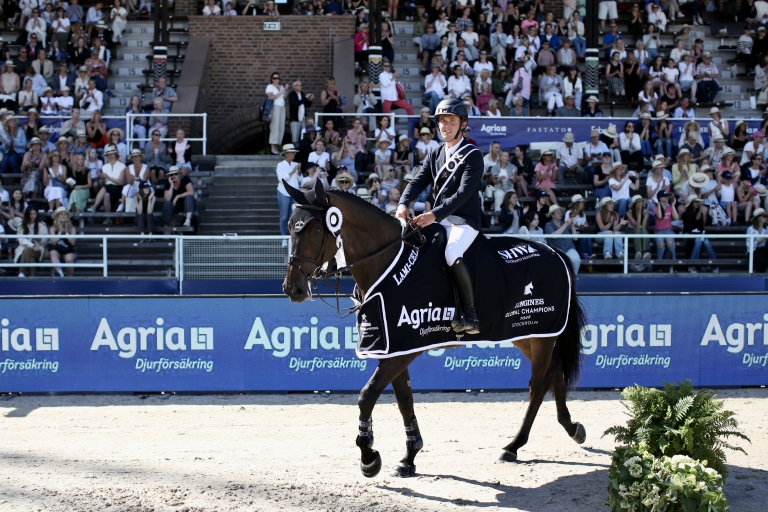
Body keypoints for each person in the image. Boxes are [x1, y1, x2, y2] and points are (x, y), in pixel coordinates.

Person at [397, 99, 484, 334]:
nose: (445, 126)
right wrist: (404, 203)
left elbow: (463, 195)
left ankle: (471, 316)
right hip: (439, 217)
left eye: (451, 121)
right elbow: (417, 181)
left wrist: (433, 215)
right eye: (442, 121)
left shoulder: (473, 156)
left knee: (452, 251)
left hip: (464, 220)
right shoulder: (435, 152)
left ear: (462, 124)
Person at [682, 194, 716, 273]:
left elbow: (701, 228)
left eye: (698, 202)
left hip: (698, 234)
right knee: (698, 240)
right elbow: (688, 228)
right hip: (688, 234)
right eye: (695, 202)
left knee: (706, 242)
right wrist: (696, 220)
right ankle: (692, 265)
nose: (697, 204)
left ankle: (714, 264)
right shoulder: (685, 215)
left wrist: (698, 220)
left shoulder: (700, 214)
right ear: (691, 203)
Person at [544, 204, 581, 273]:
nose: (560, 214)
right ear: (552, 215)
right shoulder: (548, 225)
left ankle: (573, 277)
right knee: (560, 262)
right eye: (557, 212)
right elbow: (554, 236)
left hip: (569, 248)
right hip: (556, 250)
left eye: (560, 212)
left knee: (576, 259)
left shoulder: (564, 223)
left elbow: (575, 238)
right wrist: (566, 224)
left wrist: (572, 225)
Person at [14, 207, 49, 277]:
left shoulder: (42, 225)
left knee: (28, 250)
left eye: (34, 214)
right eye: (30, 214)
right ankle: (32, 280)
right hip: (24, 250)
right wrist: (32, 246)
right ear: (27, 215)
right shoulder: (21, 224)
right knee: (31, 260)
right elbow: (20, 239)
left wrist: (40, 239)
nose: (32, 216)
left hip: (38, 250)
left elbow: (46, 241)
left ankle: (21, 272)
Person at [276, 143, 300, 236]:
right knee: (284, 216)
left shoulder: (295, 164)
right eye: (291, 153)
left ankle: (291, 237)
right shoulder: (280, 165)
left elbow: (300, 180)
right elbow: (281, 179)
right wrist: (292, 172)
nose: (293, 154)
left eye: (294, 153)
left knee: (293, 216)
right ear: (286, 154)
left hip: (294, 193)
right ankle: (284, 237)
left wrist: (298, 172)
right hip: (283, 192)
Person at [46, 207, 77, 277]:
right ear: (58, 216)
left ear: (67, 216)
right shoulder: (53, 228)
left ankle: (70, 278)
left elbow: (72, 243)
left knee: (69, 259)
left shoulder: (72, 228)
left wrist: (66, 232)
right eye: (61, 214)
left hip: (69, 249)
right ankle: (60, 273)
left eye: (65, 214)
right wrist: (59, 232)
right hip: (57, 249)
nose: (63, 216)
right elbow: (54, 242)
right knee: (52, 252)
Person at [565, 194, 594, 260]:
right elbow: (567, 224)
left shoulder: (583, 214)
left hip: (580, 232)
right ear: (576, 204)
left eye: (582, 203)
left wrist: (585, 226)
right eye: (581, 202)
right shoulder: (569, 213)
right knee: (583, 237)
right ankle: (584, 256)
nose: (582, 204)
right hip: (571, 232)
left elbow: (583, 226)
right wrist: (580, 226)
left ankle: (589, 255)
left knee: (586, 236)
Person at [266, 72, 288, 155]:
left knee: (281, 127)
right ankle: (272, 148)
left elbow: (285, 98)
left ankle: (276, 147)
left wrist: (285, 91)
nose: (276, 80)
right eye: (274, 78)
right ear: (272, 79)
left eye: (278, 78)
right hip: (274, 107)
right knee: (274, 127)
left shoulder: (281, 87)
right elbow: (271, 97)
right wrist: (281, 92)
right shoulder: (270, 86)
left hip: (282, 107)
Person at [627, 194, 652, 266]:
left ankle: (644, 253)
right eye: (638, 202)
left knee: (644, 230)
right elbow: (637, 226)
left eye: (641, 202)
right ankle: (638, 253)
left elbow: (643, 227)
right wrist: (640, 212)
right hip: (631, 232)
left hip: (641, 232)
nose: (640, 203)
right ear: (634, 204)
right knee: (638, 230)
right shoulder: (629, 212)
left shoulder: (645, 212)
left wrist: (646, 214)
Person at [288, 80, 314, 147]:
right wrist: (305, 98)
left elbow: (307, 105)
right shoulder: (292, 94)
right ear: (294, 87)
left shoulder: (302, 94)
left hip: (303, 118)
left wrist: (310, 100)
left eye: (301, 85)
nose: (300, 86)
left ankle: (303, 148)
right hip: (295, 118)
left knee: (304, 135)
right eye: (299, 85)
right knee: (295, 136)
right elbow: (295, 104)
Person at [654, 190, 678, 259]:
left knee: (670, 243)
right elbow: (660, 216)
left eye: (668, 196)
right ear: (660, 198)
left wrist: (673, 205)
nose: (667, 197)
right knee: (661, 244)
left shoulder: (670, 208)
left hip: (669, 231)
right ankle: (659, 265)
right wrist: (658, 204)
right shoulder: (655, 208)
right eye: (665, 196)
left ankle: (674, 264)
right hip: (658, 231)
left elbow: (676, 217)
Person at [747, 208, 768, 272]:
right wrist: (763, 238)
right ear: (758, 218)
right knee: (764, 262)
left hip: (764, 249)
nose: (766, 218)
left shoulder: (766, 228)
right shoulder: (750, 229)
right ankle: (758, 277)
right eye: (764, 216)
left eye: (766, 216)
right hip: (753, 251)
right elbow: (749, 246)